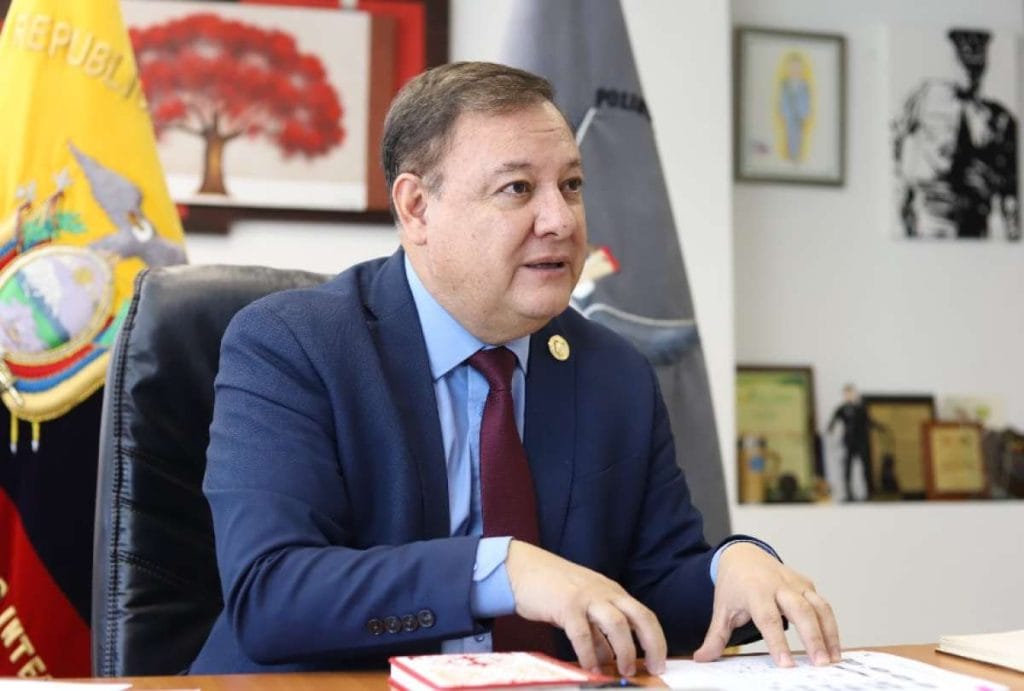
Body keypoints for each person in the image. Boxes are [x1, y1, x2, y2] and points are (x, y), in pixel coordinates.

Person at [188, 62, 841, 676]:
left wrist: (732, 567)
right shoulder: (293, 344)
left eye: (572, 186)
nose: (560, 220)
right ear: (416, 208)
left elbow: (653, 589)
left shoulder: (614, 372)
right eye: (518, 189)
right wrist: (500, 569)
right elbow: (272, 593)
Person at [892, 29, 1019, 240]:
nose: (970, 66)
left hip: (975, 223)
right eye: (964, 51)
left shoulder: (999, 118)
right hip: (929, 217)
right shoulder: (924, 97)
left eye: (977, 62)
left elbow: (1011, 188)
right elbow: (895, 143)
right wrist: (902, 198)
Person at [827, 384, 883, 501]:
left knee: (865, 467)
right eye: (847, 394)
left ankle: (869, 493)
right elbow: (834, 420)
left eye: (851, 393)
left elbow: (868, 421)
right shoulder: (842, 409)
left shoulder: (860, 408)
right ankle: (848, 493)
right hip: (849, 442)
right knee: (847, 468)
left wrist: (878, 426)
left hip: (861, 442)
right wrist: (830, 429)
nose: (849, 396)